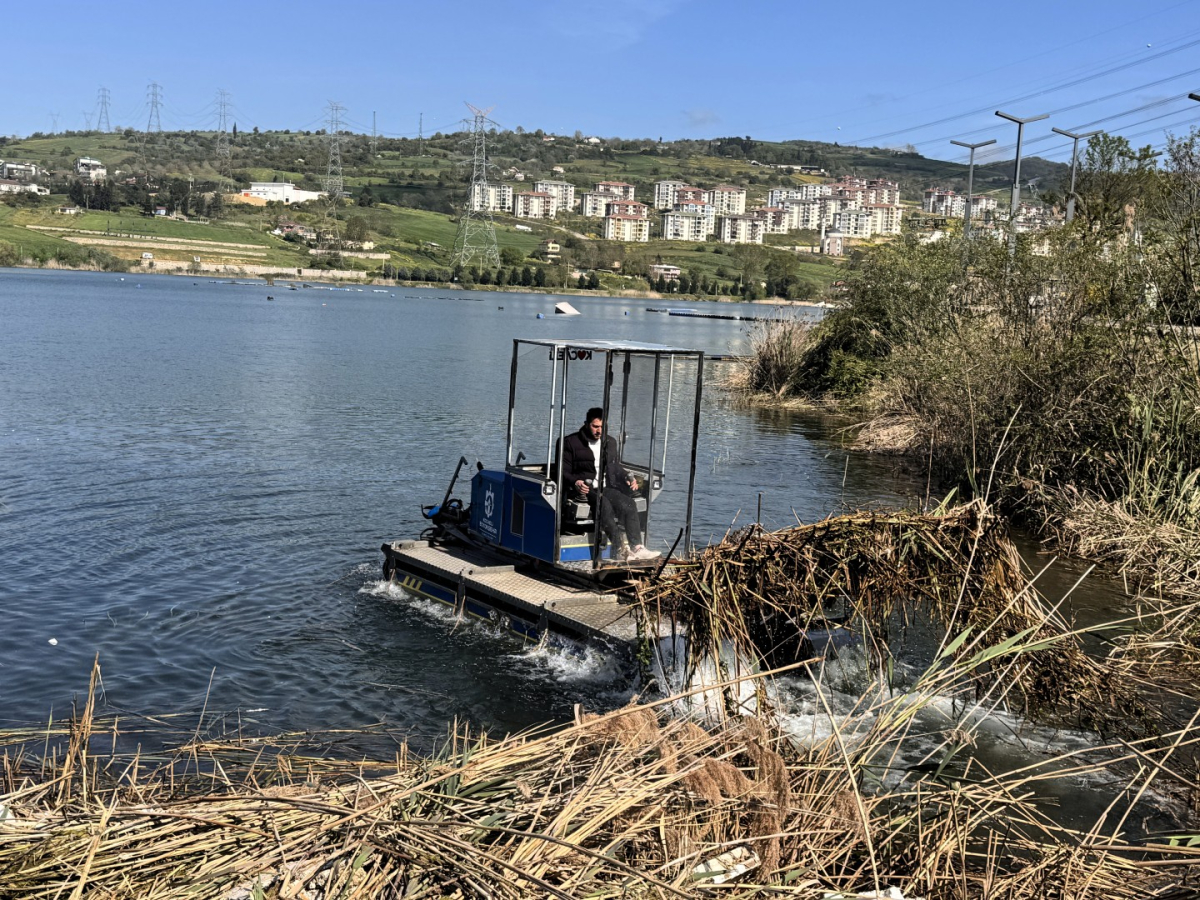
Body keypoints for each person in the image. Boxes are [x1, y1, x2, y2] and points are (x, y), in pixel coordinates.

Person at [559, 408, 660, 561]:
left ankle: (637, 548)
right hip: (584, 490)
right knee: (604, 505)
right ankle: (620, 550)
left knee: (628, 504)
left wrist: (626, 476)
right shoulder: (570, 442)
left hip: (605, 487)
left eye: (602, 427)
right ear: (586, 424)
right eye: (595, 426)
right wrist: (576, 482)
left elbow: (614, 466)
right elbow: (563, 471)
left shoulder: (610, 442)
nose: (599, 431)